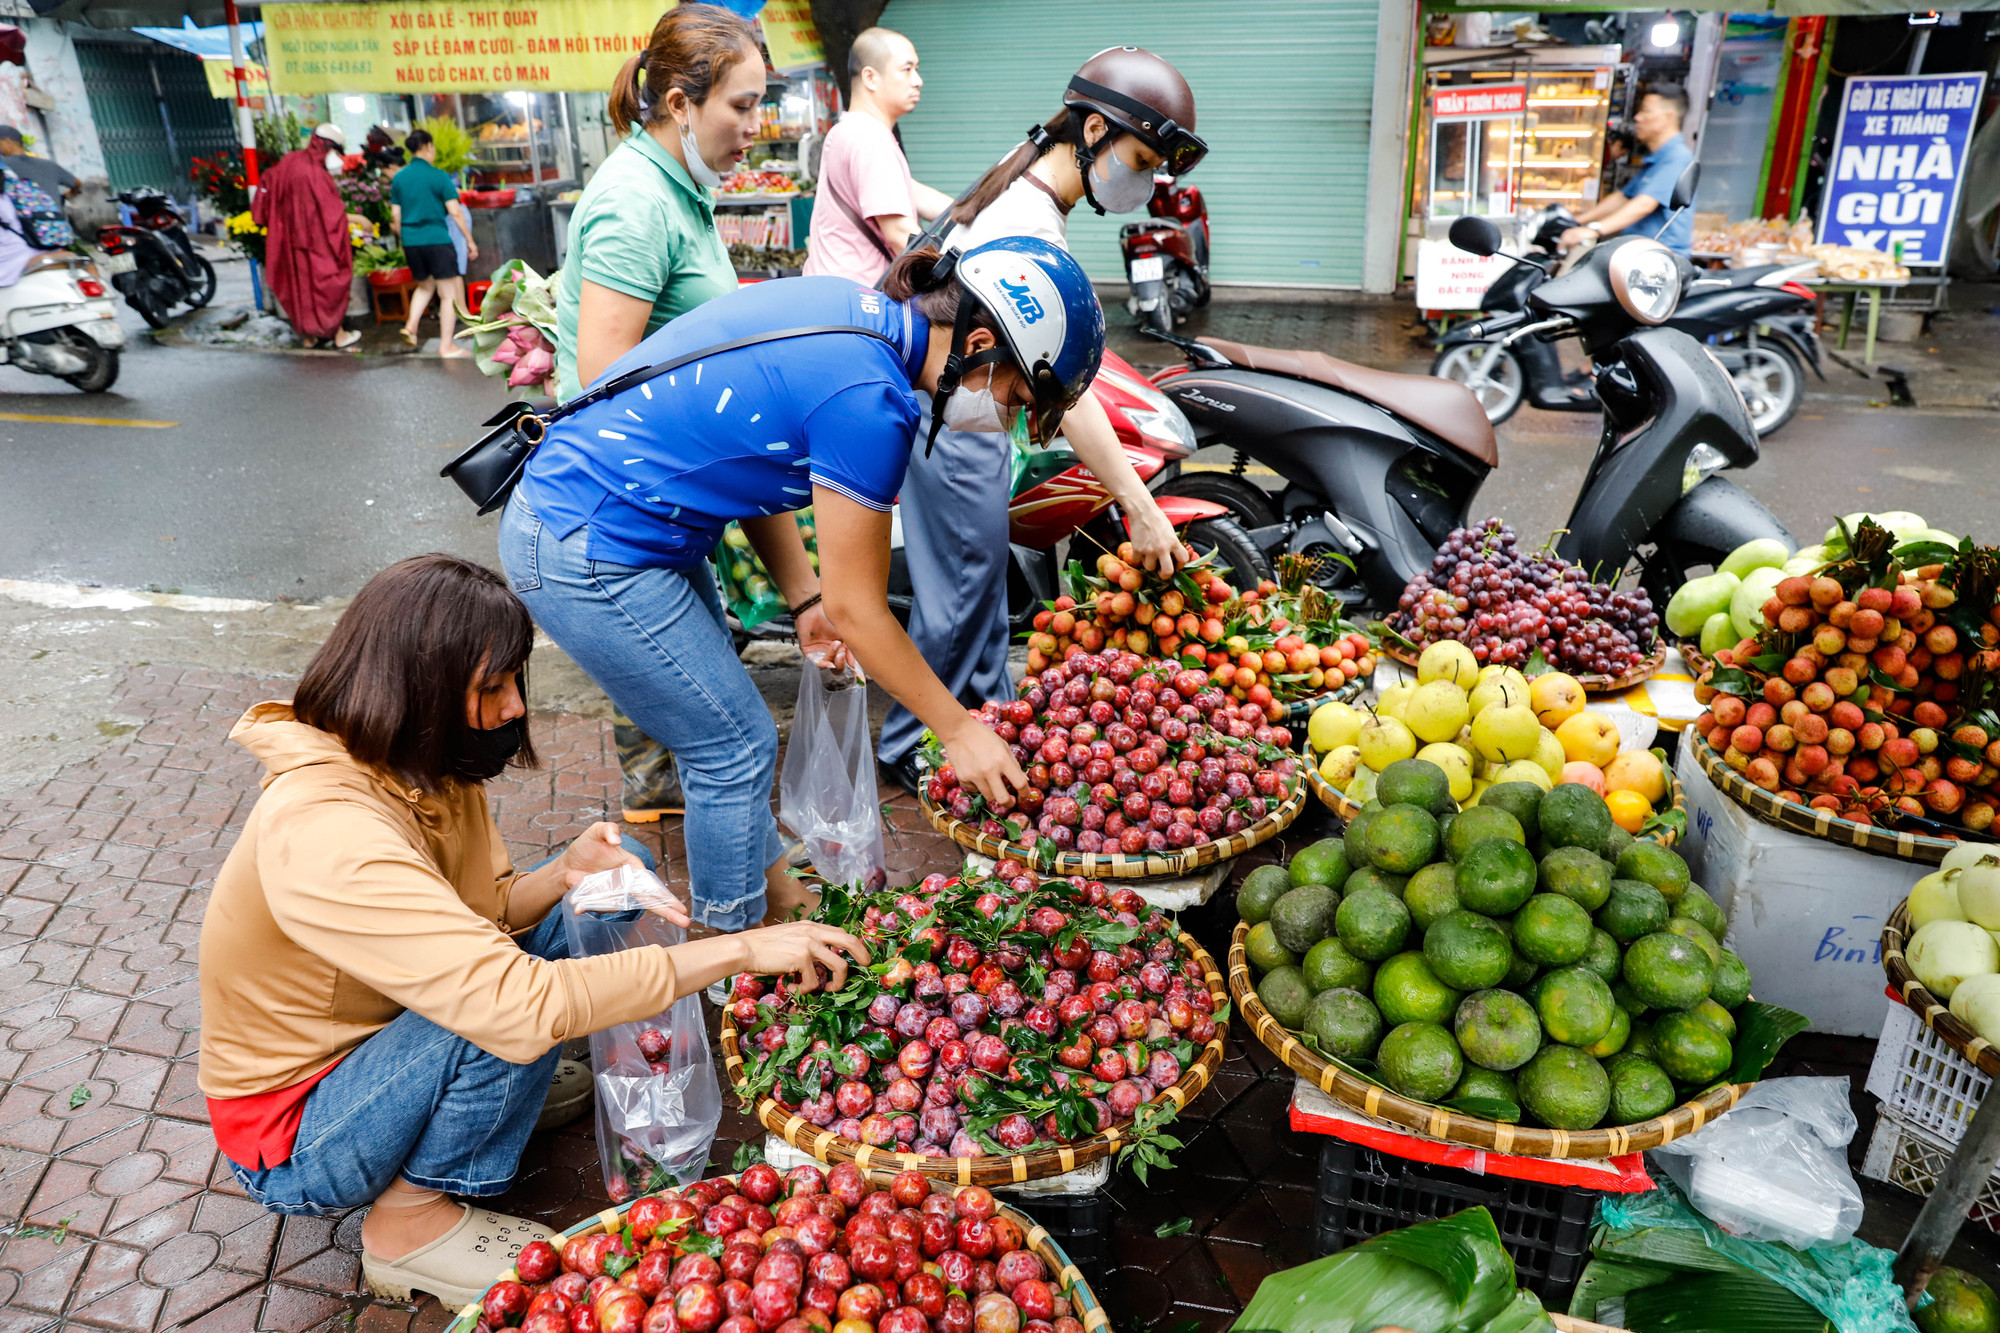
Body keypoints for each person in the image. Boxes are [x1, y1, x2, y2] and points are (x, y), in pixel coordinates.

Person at [198, 553, 866, 1307]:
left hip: (385, 1037)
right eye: (491, 688)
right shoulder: (328, 834)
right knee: (513, 1017)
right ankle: (407, 1222)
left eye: (515, 679)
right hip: (300, 1132)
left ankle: (471, 1100)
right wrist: (739, 948)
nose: (515, 706)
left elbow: (478, 915)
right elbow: (514, 1001)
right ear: (417, 694)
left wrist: (564, 874)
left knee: (619, 873)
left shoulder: (416, 763)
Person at [498, 236, 1105, 930]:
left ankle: (777, 898)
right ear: (977, 342)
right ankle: (732, 958)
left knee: (724, 733)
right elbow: (861, 610)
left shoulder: (860, 314)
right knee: (732, 745)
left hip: (628, 519)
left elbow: (756, 465)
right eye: (1017, 396)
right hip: (586, 538)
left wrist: (804, 597)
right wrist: (960, 730)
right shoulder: (872, 402)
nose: (1011, 421)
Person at [876, 45, 1208, 795]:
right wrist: (1139, 503)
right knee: (959, 596)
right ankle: (913, 749)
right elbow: (1068, 391)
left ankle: (986, 730)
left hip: (967, 420)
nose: (1145, 178)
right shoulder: (1025, 220)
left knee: (978, 594)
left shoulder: (1026, 180)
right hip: (956, 423)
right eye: (1139, 155)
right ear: (1089, 133)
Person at [554, 4, 765, 821]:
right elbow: (605, 377)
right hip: (620, 511)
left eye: (759, 104)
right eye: (740, 106)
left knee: (720, 728)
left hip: (664, 504)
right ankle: (729, 931)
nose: (756, 125)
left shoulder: (682, 190)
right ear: (681, 104)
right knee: (733, 741)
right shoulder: (637, 203)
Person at [801, 26, 953, 283]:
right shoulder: (869, 138)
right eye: (906, 70)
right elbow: (901, 234)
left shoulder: (848, 129)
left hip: (833, 290)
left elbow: (911, 193)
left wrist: (976, 211)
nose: (917, 80)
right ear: (870, 78)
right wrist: (953, 275)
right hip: (856, 300)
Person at [254, 123, 366, 349]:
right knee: (329, 285)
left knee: (299, 290)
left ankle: (308, 338)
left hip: (289, 242)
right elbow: (331, 214)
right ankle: (339, 335)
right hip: (317, 242)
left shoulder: (290, 161)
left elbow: (267, 187)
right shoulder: (316, 174)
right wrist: (358, 220)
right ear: (328, 147)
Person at [1560, 84, 1695, 257]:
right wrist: (1576, 221)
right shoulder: (1656, 160)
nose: (1638, 118)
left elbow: (1644, 204)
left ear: (1668, 117)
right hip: (1640, 256)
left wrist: (1594, 229)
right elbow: (1623, 198)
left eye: (1646, 111)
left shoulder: (1676, 157)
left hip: (1659, 262)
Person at [391, 128, 478, 357]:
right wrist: (469, 240)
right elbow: (455, 212)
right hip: (437, 239)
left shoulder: (399, 178)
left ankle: (411, 326)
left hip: (411, 241)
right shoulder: (438, 176)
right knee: (447, 293)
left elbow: (396, 216)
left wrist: (405, 239)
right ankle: (446, 346)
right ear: (428, 146)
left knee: (425, 285)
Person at [0, 125, 77, 201]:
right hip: (55, 212)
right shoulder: (49, 164)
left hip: (21, 212)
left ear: (8, 142)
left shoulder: (4, 165)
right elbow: (77, 184)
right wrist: (65, 196)